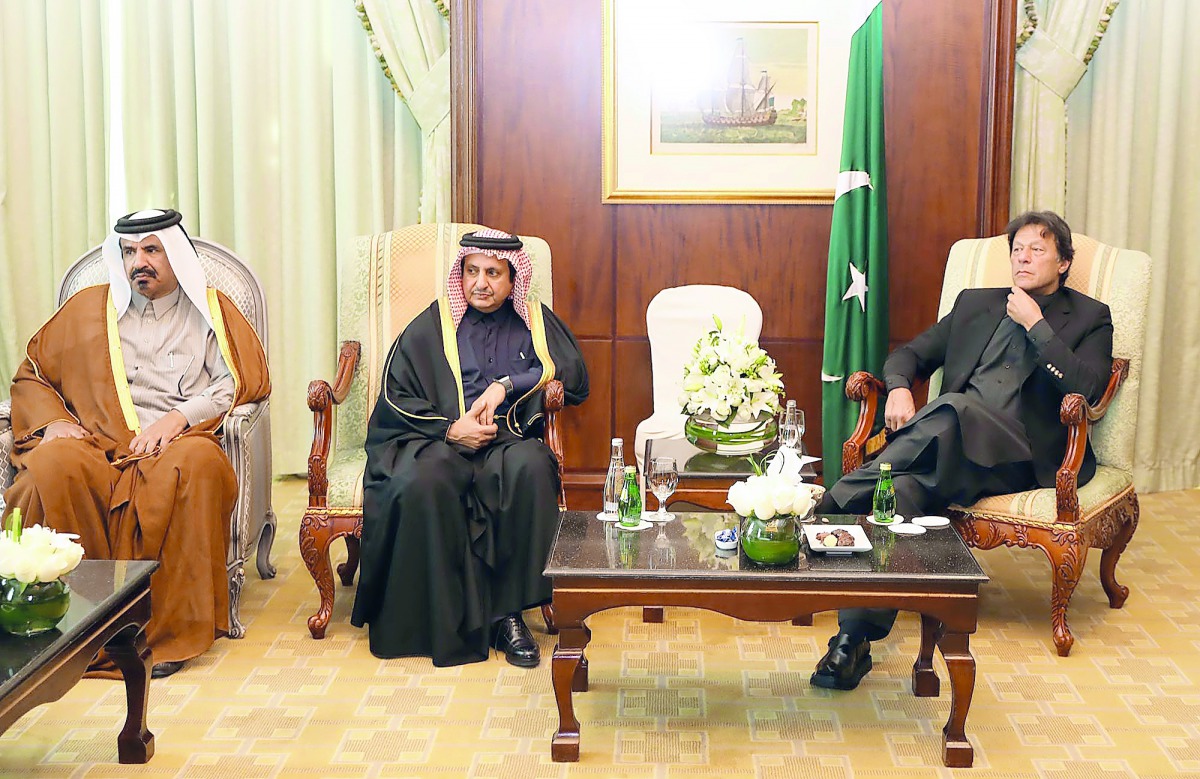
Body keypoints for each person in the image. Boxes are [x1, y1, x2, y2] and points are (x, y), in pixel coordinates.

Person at [811, 211, 1113, 690]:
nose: (1023, 257)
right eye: (1017, 250)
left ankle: (833, 498)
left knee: (952, 407)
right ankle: (852, 642)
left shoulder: (1090, 317)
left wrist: (1038, 327)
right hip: (948, 450)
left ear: (1064, 263)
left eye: (1037, 249)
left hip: (1019, 456)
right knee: (898, 496)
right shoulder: (976, 304)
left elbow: (1090, 388)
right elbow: (908, 355)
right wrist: (897, 388)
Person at [3, 209, 270, 679]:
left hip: (175, 443)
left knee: (198, 464)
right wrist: (52, 424)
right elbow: (34, 374)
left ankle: (164, 633)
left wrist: (177, 418)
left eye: (151, 249)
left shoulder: (209, 313)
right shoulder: (88, 310)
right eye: (129, 252)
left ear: (176, 254)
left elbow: (236, 385)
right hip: (98, 443)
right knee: (52, 465)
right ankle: (70, 628)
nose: (138, 262)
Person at [352, 228, 588, 668]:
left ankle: (508, 614)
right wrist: (449, 430)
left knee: (533, 466)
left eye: (494, 273)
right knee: (423, 479)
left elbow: (572, 374)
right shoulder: (433, 324)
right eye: (472, 271)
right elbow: (397, 395)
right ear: (460, 275)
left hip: (505, 438)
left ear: (513, 279)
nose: (481, 283)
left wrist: (505, 386)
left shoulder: (532, 322)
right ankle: (437, 619)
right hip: (438, 438)